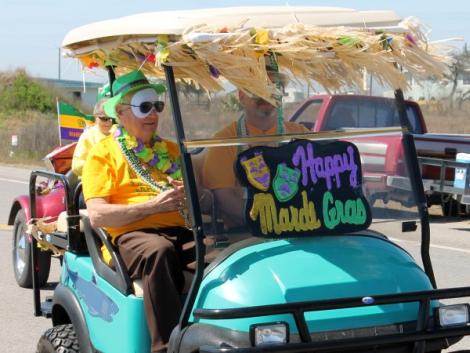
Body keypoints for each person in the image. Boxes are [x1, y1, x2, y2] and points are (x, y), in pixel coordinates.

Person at [81, 70, 190, 353]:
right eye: (144, 107)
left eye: (157, 106)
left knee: (222, 254)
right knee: (159, 252)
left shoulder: (169, 150)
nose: (153, 114)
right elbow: (98, 216)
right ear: (120, 112)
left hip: (178, 230)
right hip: (131, 235)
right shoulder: (103, 153)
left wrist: (193, 195)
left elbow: (199, 198)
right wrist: (153, 206)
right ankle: (166, 347)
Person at [202, 66, 309, 228]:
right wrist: (269, 221)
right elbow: (224, 198)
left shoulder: (301, 134)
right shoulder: (224, 141)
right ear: (242, 96)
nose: (265, 95)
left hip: (300, 227)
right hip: (246, 234)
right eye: (256, 89)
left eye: (273, 89)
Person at [71, 97, 116, 177]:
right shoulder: (88, 136)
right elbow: (76, 166)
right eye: (104, 118)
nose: (109, 122)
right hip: (96, 181)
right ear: (95, 117)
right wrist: (101, 167)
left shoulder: (119, 132)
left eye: (112, 118)